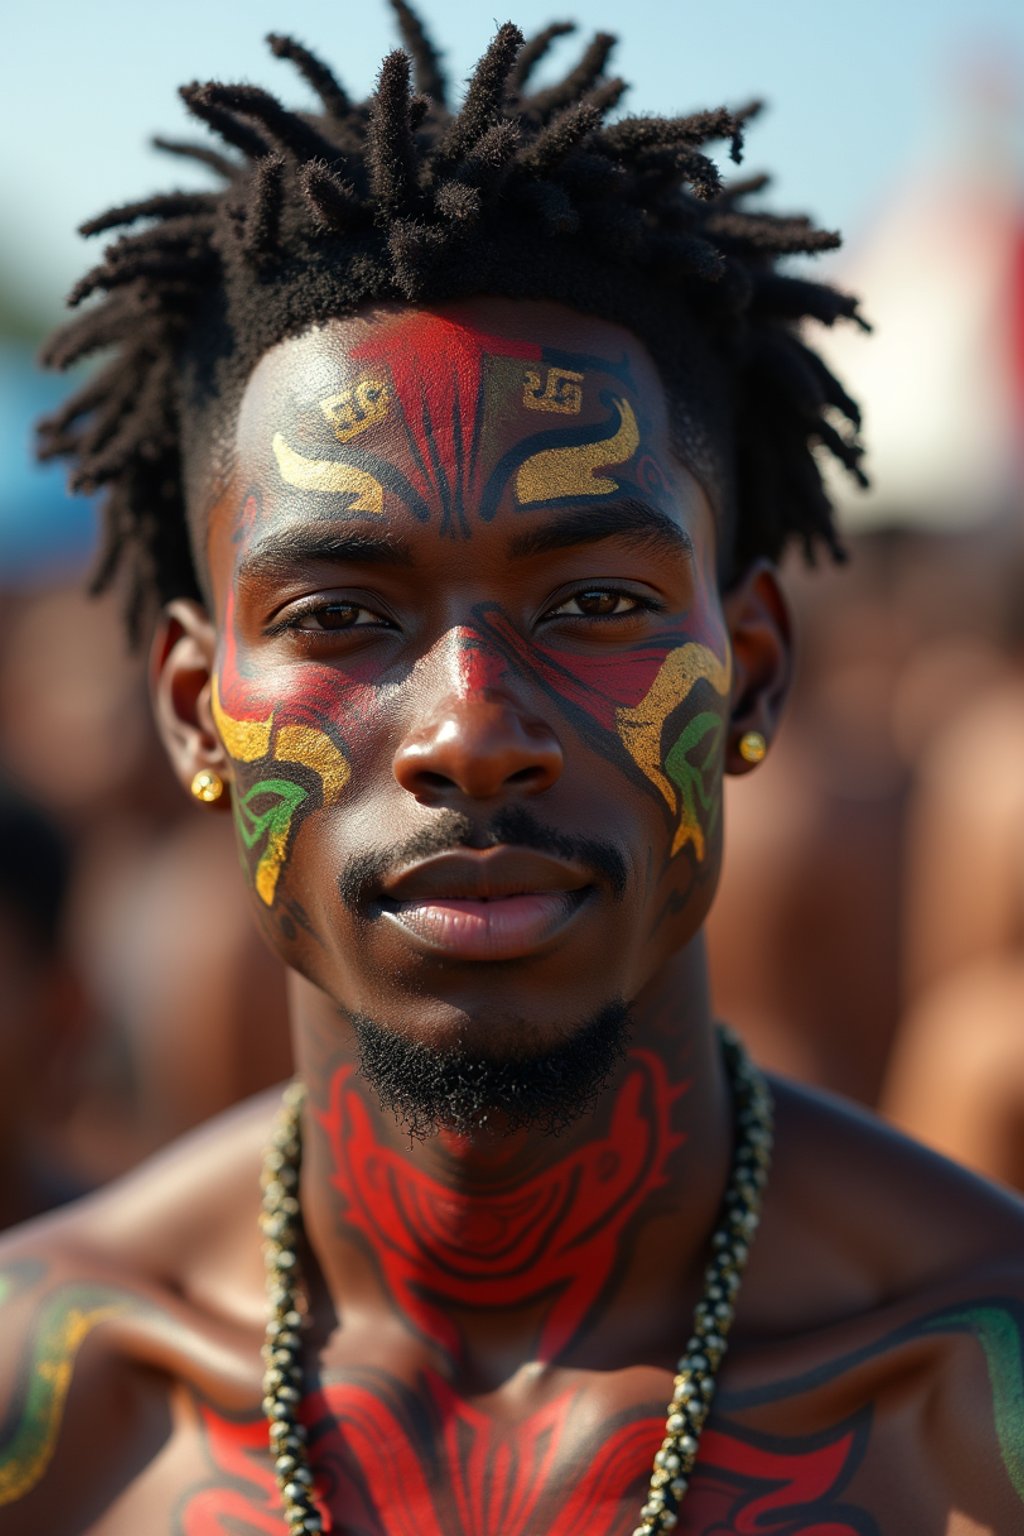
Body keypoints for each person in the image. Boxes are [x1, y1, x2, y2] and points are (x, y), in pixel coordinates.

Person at [2, 9, 1022, 1531]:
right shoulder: (53, 1403)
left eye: (595, 603)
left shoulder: (963, 1409)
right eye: (341, 615)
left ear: (749, 668)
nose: (471, 731)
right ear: (197, 712)